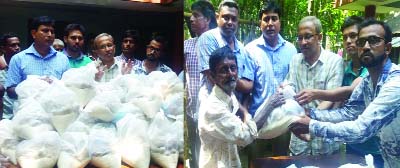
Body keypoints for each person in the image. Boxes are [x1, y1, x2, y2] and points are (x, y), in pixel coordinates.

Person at [290, 19, 400, 168]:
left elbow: (361, 129)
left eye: (373, 40)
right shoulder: (367, 81)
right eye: (361, 42)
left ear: (387, 48)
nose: (366, 46)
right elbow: (348, 113)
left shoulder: (395, 83)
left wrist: (312, 125)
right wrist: (310, 113)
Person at [244, 1, 297, 157]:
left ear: (280, 22)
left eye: (274, 19)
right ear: (260, 23)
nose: (270, 23)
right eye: (266, 19)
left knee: (281, 163)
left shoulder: (291, 49)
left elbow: (294, 83)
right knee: (257, 163)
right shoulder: (250, 50)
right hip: (258, 121)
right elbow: (246, 87)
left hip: (283, 122)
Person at [285, 16, 344, 156]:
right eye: (300, 37)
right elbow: (290, 89)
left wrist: (310, 119)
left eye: (308, 36)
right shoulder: (295, 60)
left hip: (324, 138)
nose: (303, 42)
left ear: (319, 37)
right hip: (299, 139)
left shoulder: (335, 61)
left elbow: (331, 97)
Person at [198, 46, 257, 168]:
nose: (230, 74)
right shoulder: (213, 108)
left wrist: (244, 108)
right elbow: (245, 137)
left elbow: (237, 106)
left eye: (233, 68)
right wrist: (270, 104)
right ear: (213, 76)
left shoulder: (227, 93)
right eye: (224, 70)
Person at [197, 0, 254, 103]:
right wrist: (238, 81)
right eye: (226, 17)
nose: (230, 22)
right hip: (213, 107)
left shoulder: (242, 48)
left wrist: (229, 79)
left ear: (238, 22)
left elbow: (249, 85)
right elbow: (213, 77)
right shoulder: (207, 39)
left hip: (235, 110)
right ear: (217, 17)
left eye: (234, 19)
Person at [183, 1, 217, 167]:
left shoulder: (218, 43)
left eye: (196, 15)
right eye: (191, 15)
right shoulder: (187, 45)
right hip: (192, 108)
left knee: (213, 150)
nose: (192, 19)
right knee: (196, 149)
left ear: (208, 19)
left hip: (214, 109)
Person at [5, 16, 70, 99]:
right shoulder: (18, 59)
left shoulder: (63, 59)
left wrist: (55, 85)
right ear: (33, 33)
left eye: (52, 32)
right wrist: (34, 87)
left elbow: (68, 87)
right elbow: (10, 90)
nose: (50, 35)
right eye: (45, 31)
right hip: (28, 109)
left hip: (55, 109)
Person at [0, 32, 21, 119]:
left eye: (18, 45)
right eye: (13, 45)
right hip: (3, 117)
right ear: (3, 49)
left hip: (20, 115)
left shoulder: (23, 67)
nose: (17, 48)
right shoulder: (1, 68)